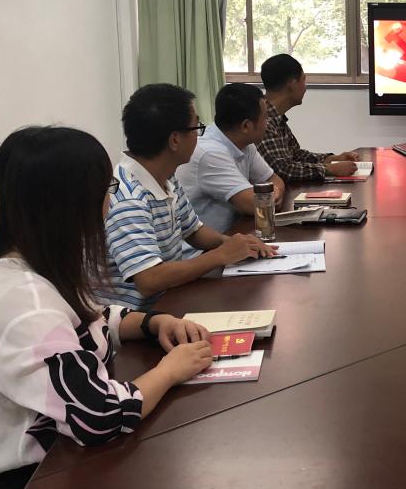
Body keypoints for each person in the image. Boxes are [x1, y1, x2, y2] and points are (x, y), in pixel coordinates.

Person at [0, 127, 213, 489]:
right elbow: (102, 416)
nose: (111, 201)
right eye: (106, 189)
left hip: (60, 466)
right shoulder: (28, 306)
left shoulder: (31, 264)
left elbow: (92, 319)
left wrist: (152, 323)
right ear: (72, 204)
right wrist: (169, 371)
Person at [100, 84, 275, 311]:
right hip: (137, 318)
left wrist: (233, 243)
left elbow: (194, 231)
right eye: (196, 128)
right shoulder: (128, 198)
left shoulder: (165, 177)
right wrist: (220, 255)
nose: (199, 136)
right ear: (175, 140)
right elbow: (148, 279)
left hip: (170, 299)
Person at [177, 83, 285, 234]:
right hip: (207, 245)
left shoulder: (245, 144)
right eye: (265, 118)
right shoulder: (210, 153)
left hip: (232, 235)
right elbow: (253, 204)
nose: (267, 124)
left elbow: (275, 181)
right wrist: (273, 195)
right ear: (246, 126)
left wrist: (273, 193)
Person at [258, 54, 361, 181]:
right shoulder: (263, 121)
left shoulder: (276, 118)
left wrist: (333, 159)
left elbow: (296, 155)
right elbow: (282, 169)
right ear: (292, 84)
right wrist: (329, 169)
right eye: (303, 80)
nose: (305, 88)